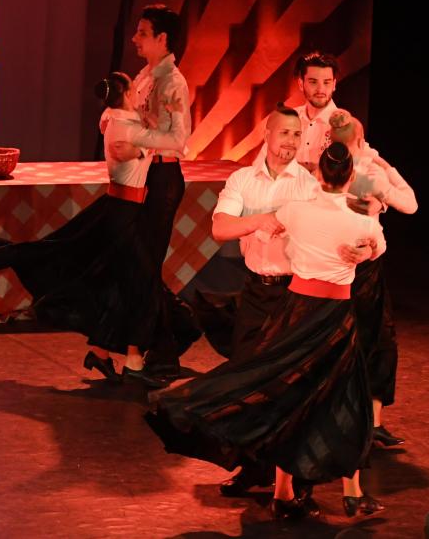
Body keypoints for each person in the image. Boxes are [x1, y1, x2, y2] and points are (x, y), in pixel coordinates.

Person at [146, 143, 386, 521]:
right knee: (345, 398)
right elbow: (378, 247)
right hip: (335, 315)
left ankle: (288, 492)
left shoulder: (296, 210)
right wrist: (370, 229)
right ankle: (348, 492)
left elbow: (249, 226)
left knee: (288, 394)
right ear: (351, 176)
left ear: (319, 175)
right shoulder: (363, 221)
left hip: (297, 310)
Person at [0, 73, 184, 385]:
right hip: (122, 213)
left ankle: (102, 352)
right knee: (142, 283)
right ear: (127, 94)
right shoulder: (125, 128)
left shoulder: (118, 119)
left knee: (118, 282)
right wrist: (174, 116)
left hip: (124, 210)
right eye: (135, 90)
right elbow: (174, 142)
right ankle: (133, 362)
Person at [206, 104, 320, 498]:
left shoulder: (307, 185)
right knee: (247, 380)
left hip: (295, 293)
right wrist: (258, 220)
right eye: (284, 132)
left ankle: (293, 477)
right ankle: (254, 467)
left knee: (290, 385)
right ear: (267, 134)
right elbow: (221, 228)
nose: (291, 141)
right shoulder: (242, 180)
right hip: (256, 291)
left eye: (297, 134)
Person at [329, 109, 418, 447]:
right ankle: (370, 421)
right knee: (376, 340)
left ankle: (351, 420)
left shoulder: (323, 172)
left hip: (331, 262)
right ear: (361, 141)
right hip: (362, 266)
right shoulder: (369, 174)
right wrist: (386, 169)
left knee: (342, 340)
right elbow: (410, 204)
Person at [130, 4, 195, 380]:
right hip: (143, 174)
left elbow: (178, 140)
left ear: (162, 38)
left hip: (162, 176)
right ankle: (160, 340)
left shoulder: (172, 82)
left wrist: (136, 133)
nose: (135, 39)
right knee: (138, 264)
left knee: (146, 265)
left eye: (142, 33)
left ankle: (163, 346)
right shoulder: (145, 75)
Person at [293, 50, 342, 170]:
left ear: (334, 84)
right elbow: (264, 164)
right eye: (313, 82)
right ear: (301, 84)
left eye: (326, 82)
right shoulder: (288, 119)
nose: (320, 89)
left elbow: (369, 164)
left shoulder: (345, 125)